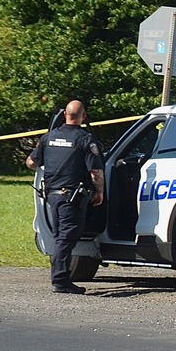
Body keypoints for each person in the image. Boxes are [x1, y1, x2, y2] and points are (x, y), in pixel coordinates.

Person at [27, 100, 105, 294]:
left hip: (52, 196)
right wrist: (100, 192)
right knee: (66, 237)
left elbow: (30, 163)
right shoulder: (85, 139)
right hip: (73, 197)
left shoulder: (48, 138)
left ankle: (61, 278)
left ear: (65, 115)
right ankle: (60, 281)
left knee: (60, 236)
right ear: (83, 116)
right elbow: (95, 171)